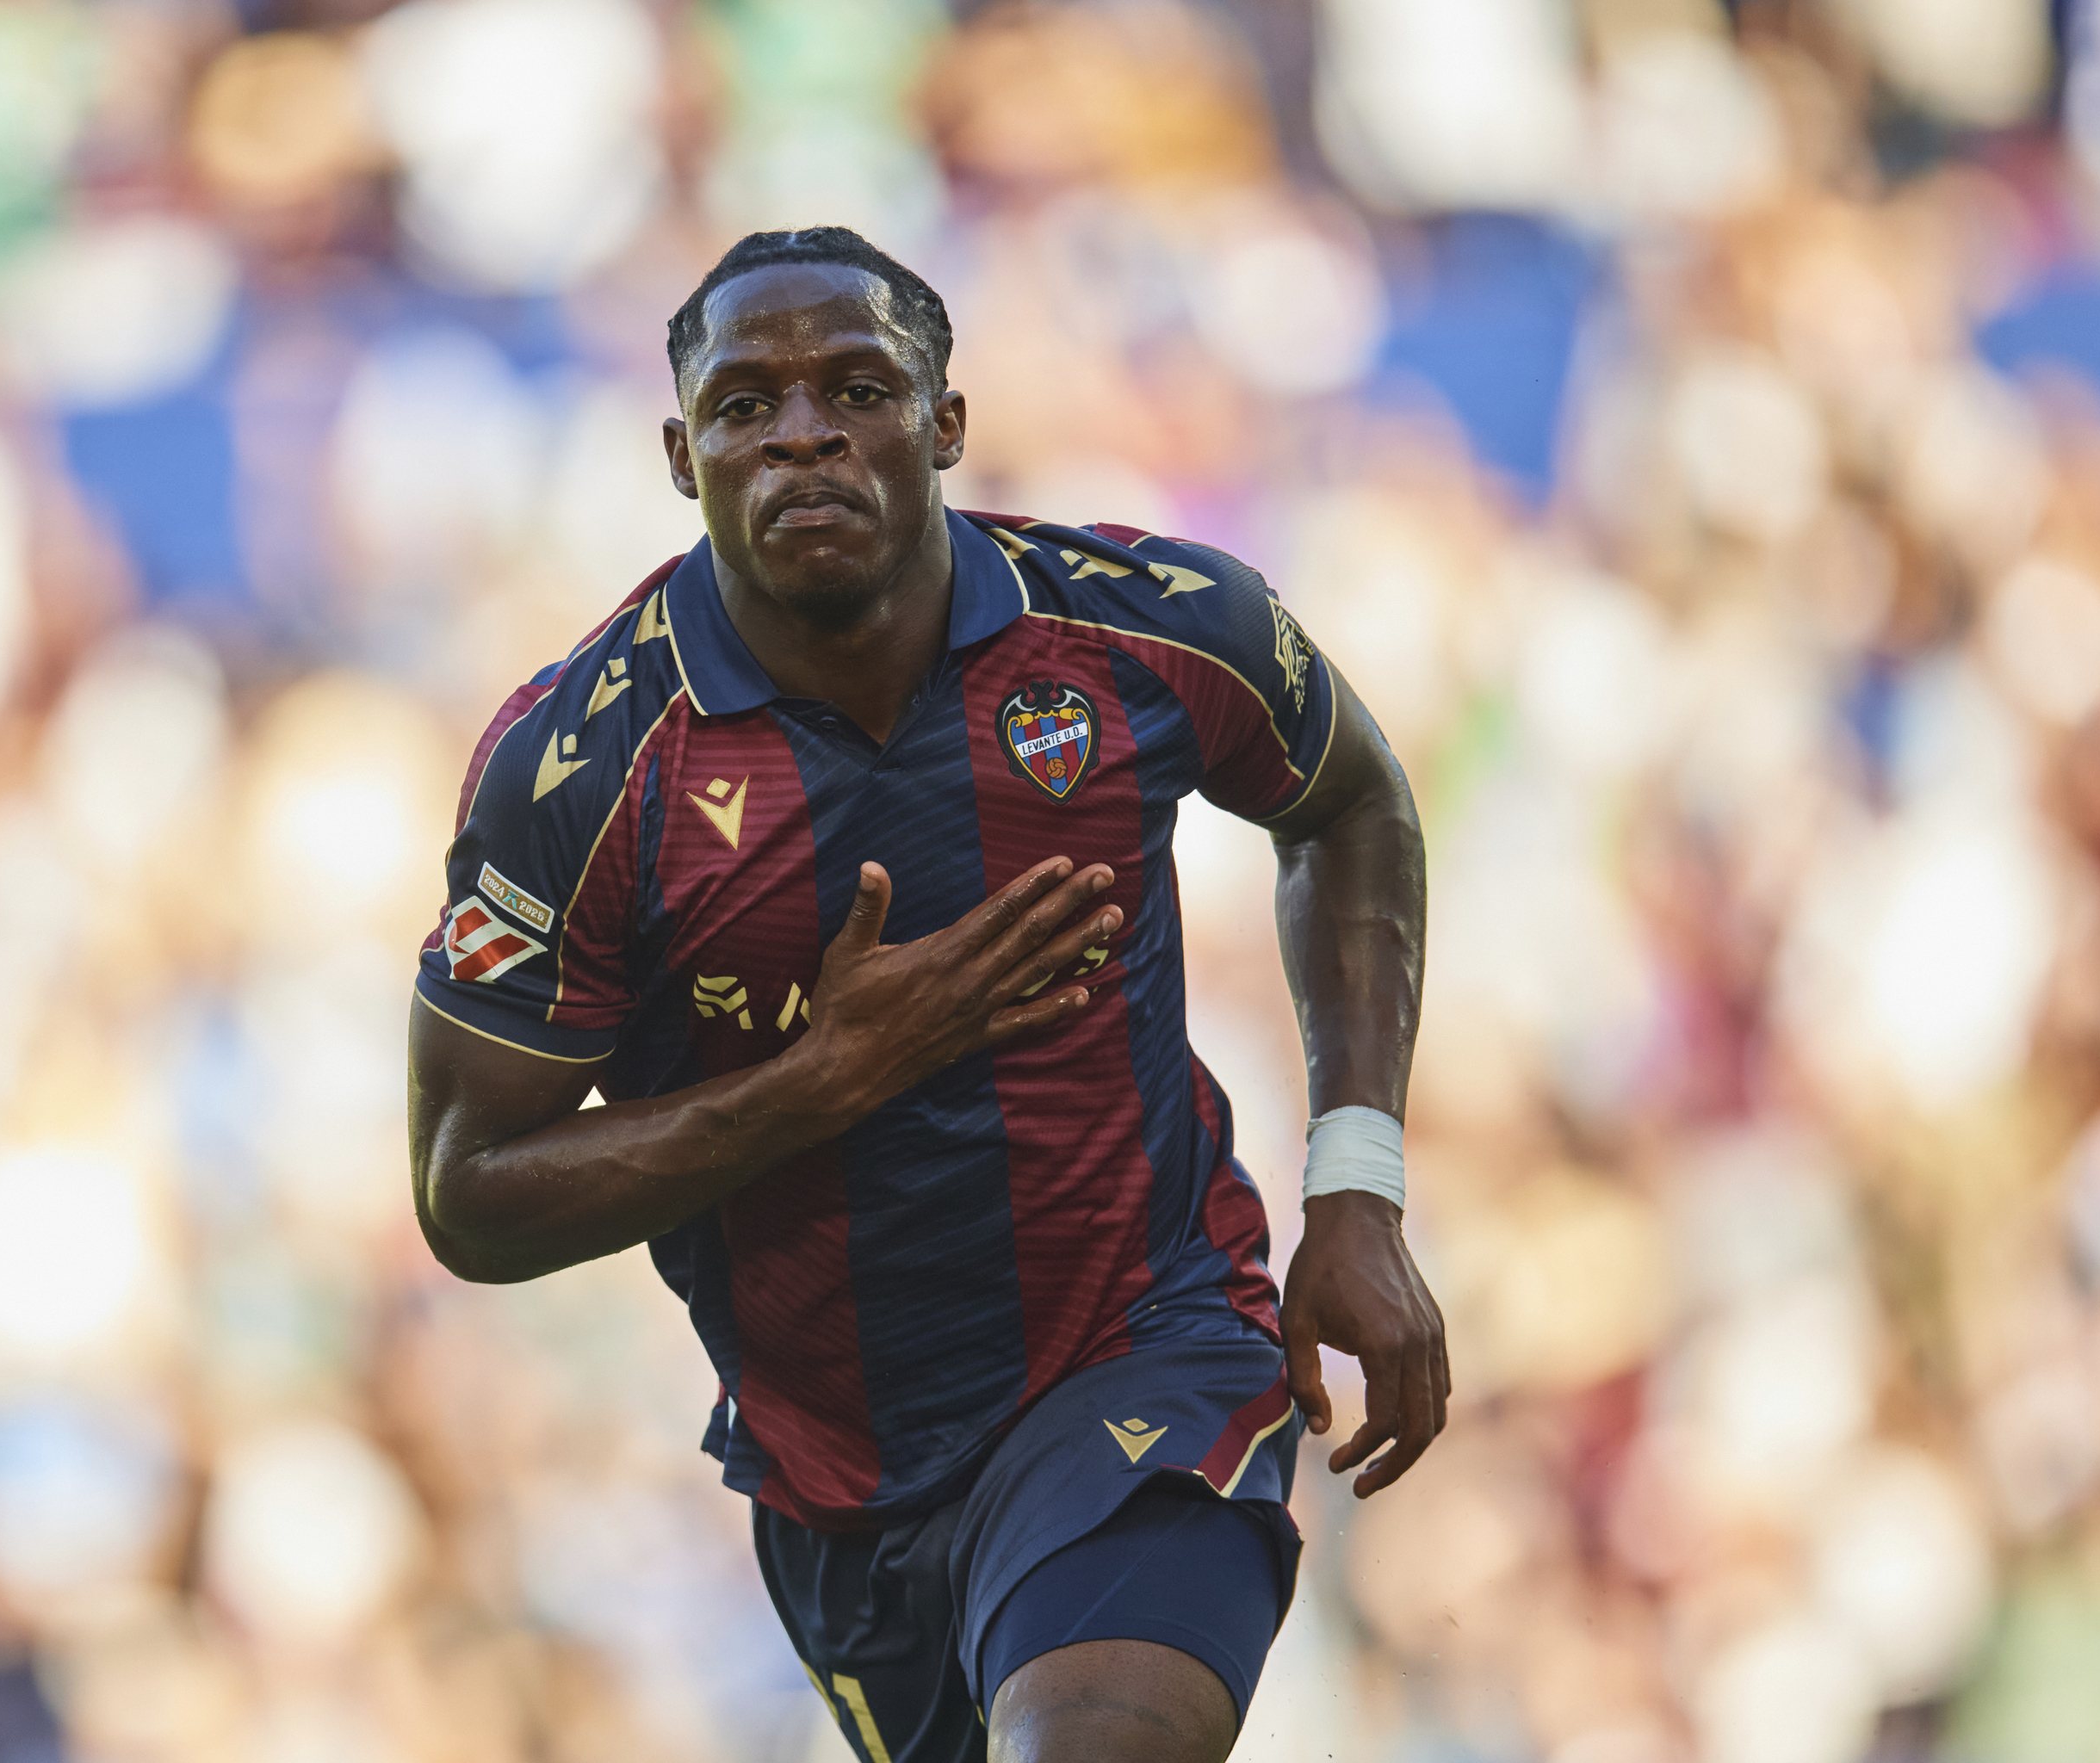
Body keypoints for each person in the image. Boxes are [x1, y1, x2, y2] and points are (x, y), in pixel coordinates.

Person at [407, 227, 1446, 1763]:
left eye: (857, 387)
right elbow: (469, 1193)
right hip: (841, 1483)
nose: (805, 431)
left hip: (1149, 1341)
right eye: (748, 404)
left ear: (947, 424)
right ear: (682, 455)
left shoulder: (1146, 626)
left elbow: (1350, 802)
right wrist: (823, 1083)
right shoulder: (579, 771)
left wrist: (1356, 1185)